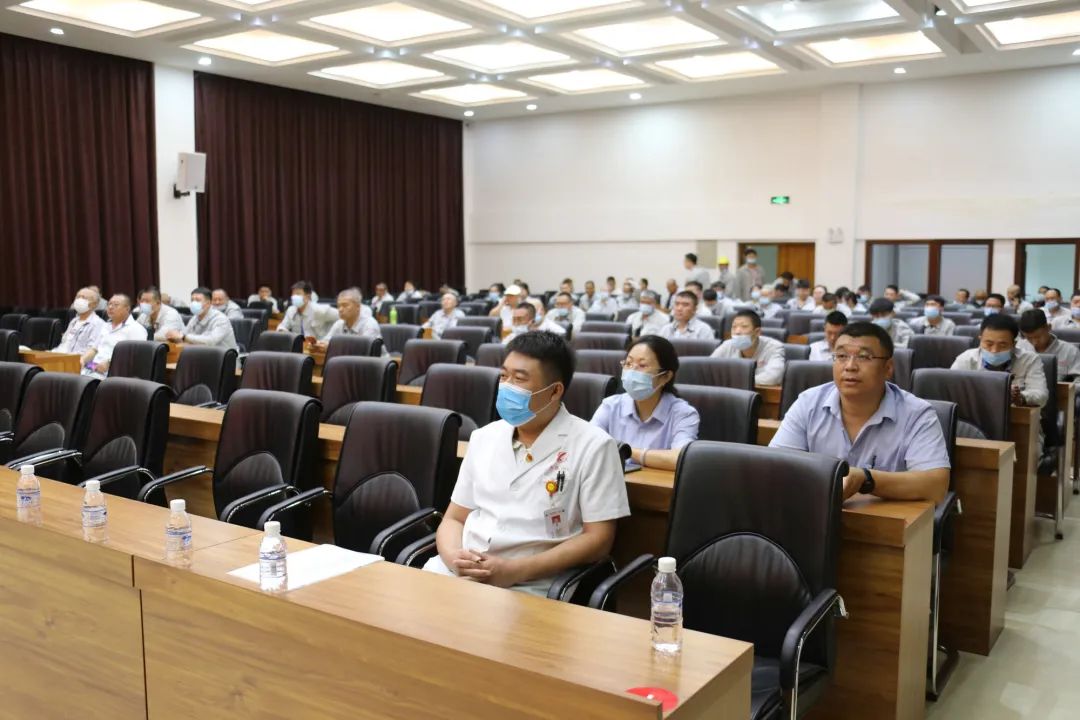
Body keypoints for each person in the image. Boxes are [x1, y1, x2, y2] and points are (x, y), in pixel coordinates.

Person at [424, 331, 630, 595]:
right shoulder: (484, 437)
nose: (506, 386)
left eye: (519, 379)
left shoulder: (595, 445)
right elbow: (454, 518)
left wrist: (514, 570)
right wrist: (454, 557)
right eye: (504, 376)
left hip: (532, 583)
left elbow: (598, 539)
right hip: (456, 571)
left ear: (555, 391)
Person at [770, 322, 950, 503]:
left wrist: (867, 480)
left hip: (885, 519)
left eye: (863, 357)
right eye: (841, 356)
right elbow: (776, 468)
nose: (850, 366)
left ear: (888, 368)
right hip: (815, 512)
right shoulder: (808, 403)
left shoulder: (917, 414)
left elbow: (936, 486)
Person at [591, 336, 699, 470]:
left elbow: (681, 459)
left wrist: (625, 451)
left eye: (642, 365)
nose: (631, 372)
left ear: (665, 376)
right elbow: (588, 445)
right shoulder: (611, 406)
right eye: (628, 364)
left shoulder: (684, 414)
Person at [950, 313, 1048, 409]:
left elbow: (1041, 395)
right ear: (980, 340)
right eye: (989, 344)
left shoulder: (1029, 360)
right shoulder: (966, 359)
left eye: (1002, 345)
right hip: (975, 414)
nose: (994, 350)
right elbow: (951, 391)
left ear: (1014, 344)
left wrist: (1020, 397)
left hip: (1016, 415)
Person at [710, 310, 785, 385]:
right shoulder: (727, 345)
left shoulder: (774, 347)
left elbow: (774, 377)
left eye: (744, 326)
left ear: (757, 332)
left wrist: (736, 381)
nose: (737, 332)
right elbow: (709, 368)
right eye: (734, 327)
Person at [82, 294, 146, 378]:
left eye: (116, 305)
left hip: (114, 374)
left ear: (127, 308)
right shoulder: (105, 326)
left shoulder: (136, 329)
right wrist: (82, 360)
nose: (110, 307)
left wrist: (110, 363)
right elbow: (94, 349)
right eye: (109, 304)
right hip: (93, 368)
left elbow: (135, 356)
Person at [166, 288, 238, 350]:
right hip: (203, 355)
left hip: (225, 358)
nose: (194, 303)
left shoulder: (221, 319)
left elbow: (211, 341)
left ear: (208, 303)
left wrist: (183, 337)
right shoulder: (195, 318)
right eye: (192, 300)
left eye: (197, 300)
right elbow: (185, 335)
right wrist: (175, 337)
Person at [1018, 310, 1080, 382]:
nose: (1034, 342)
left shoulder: (1070, 351)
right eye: (1029, 338)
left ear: (1048, 327)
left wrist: (1070, 387)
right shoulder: (1020, 347)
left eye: (1038, 337)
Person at [54, 287, 107, 364]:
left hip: (79, 363)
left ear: (94, 304)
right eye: (78, 297)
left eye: (84, 298)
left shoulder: (98, 324)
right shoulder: (74, 321)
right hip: (60, 358)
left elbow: (92, 350)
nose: (79, 300)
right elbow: (64, 344)